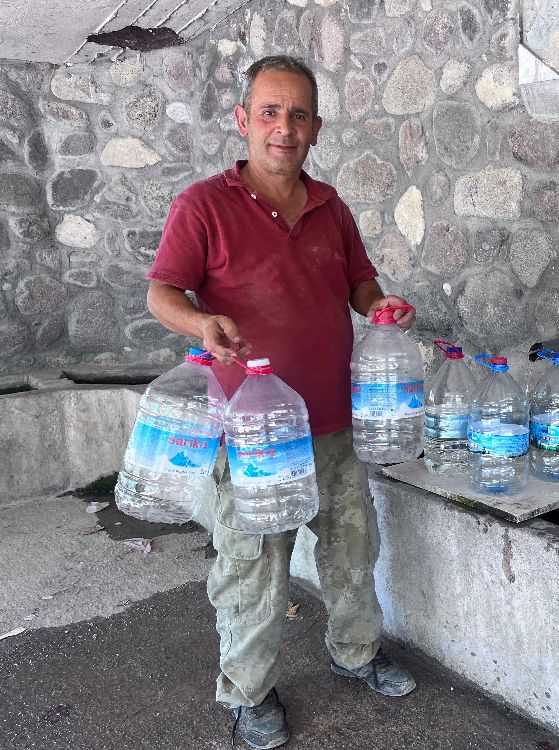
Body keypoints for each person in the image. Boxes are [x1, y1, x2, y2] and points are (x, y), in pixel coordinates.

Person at [144, 55, 417, 749]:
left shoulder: (331, 206)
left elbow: (358, 283)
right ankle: (247, 691)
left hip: (335, 420)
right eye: (269, 111)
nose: (283, 128)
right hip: (255, 431)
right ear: (243, 120)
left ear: (316, 128)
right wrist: (201, 323)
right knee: (253, 567)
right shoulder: (203, 206)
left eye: (298, 115)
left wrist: (376, 305)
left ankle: (355, 652)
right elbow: (162, 293)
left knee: (352, 548)